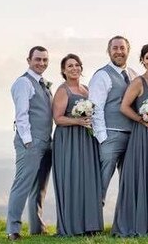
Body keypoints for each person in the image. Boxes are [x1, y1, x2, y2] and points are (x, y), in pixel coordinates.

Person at [112, 44, 148, 236]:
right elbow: (124, 107)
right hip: (142, 136)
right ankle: (135, 221)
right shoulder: (138, 82)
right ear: (142, 60)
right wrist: (142, 120)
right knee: (141, 175)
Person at [52, 54, 103, 236]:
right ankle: (72, 227)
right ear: (64, 70)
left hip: (87, 140)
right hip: (69, 140)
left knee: (88, 180)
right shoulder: (62, 90)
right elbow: (58, 119)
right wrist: (78, 122)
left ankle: (89, 226)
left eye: (77, 65)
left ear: (81, 67)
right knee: (72, 179)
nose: (74, 68)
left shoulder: (86, 89)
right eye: (70, 66)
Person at [6, 47, 53, 241]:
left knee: (39, 187)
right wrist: (28, 141)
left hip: (46, 141)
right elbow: (22, 114)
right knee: (22, 185)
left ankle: (37, 227)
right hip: (31, 142)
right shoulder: (24, 83)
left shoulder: (43, 84)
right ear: (29, 60)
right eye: (37, 59)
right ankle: (13, 230)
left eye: (44, 60)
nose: (41, 63)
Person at [89, 35, 137, 205]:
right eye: (115, 48)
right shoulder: (102, 75)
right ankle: (92, 225)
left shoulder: (132, 74)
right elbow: (96, 108)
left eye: (122, 48)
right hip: (111, 135)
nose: (119, 52)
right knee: (102, 181)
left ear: (128, 51)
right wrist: (103, 138)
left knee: (129, 180)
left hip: (132, 135)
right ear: (108, 51)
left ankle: (124, 223)